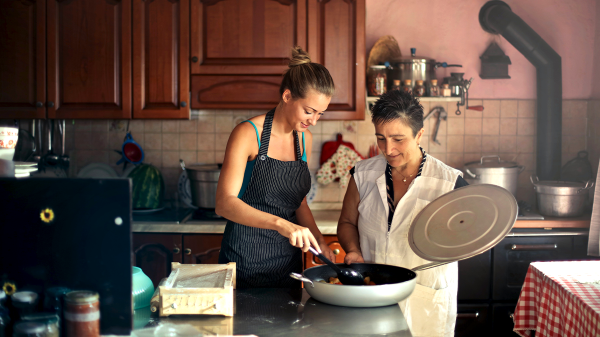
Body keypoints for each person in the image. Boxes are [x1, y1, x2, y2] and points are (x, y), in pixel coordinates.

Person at [337, 90, 468, 336]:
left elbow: (468, 238)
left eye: (398, 139)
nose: (389, 149)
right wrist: (353, 250)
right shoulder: (363, 175)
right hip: (372, 295)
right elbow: (346, 222)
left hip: (425, 299)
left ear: (419, 134)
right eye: (381, 138)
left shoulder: (449, 183)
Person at [215, 46, 336, 288]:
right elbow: (224, 203)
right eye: (309, 111)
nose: (313, 121)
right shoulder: (248, 133)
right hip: (244, 261)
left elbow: (298, 202)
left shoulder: (304, 139)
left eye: (320, 114)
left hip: (288, 265)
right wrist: (280, 224)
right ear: (287, 96)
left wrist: (320, 240)